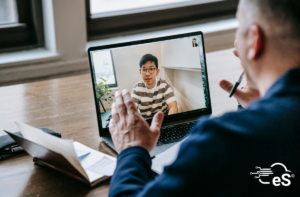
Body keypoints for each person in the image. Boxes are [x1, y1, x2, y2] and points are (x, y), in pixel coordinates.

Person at [108, 0, 300, 196]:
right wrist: (263, 108)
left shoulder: (221, 141)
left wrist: (131, 149)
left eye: (239, 25)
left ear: (253, 40)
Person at [131, 54, 178, 119]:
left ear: (157, 71)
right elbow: (131, 112)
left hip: (163, 121)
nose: (147, 74)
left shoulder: (164, 84)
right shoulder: (136, 88)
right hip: (146, 124)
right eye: (144, 70)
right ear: (140, 72)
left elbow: (173, 107)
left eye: (151, 69)